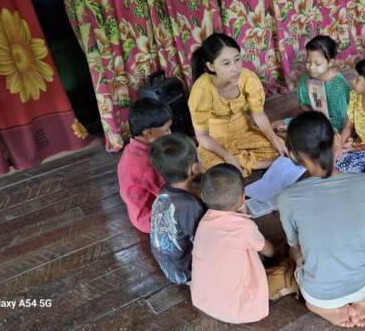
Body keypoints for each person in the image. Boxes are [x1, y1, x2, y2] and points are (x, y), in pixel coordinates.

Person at [278, 111, 365, 328]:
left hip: (321, 292)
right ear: (337, 140)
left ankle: (328, 308)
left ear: (293, 155)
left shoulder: (287, 197)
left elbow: (295, 243)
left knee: (292, 252)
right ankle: (364, 299)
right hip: (364, 278)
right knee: (364, 245)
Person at [191, 164, 297, 323]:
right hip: (236, 308)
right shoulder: (244, 227)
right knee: (288, 270)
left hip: (203, 298)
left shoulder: (204, 222)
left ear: (203, 197)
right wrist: (280, 252)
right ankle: (282, 290)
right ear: (242, 197)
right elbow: (269, 251)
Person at [188, 33, 287, 177]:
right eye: (226, 63)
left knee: (278, 146)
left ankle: (243, 163)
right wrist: (226, 156)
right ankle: (257, 163)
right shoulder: (201, 91)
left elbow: (258, 114)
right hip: (215, 138)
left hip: (243, 129)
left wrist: (272, 138)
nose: (235, 68)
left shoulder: (248, 78)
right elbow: (202, 136)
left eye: (237, 59)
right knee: (210, 165)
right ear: (211, 66)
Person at [149, 133, 205, 285]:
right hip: (186, 272)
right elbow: (205, 243)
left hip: (170, 266)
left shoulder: (164, 192)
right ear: (194, 168)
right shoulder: (190, 207)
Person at [272, 35, 350, 132]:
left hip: (335, 125)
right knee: (277, 124)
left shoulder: (338, 86)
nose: (311, 67)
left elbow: (342, 121)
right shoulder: (305, 78)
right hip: (314, 119)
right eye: (308, 62)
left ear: (330, 63)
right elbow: (303, 105)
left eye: (317, 64)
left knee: (311, 136)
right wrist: (312, 119)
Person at [117, 98, 172, 233]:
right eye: (166, 130)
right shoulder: (145, 165)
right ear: (148, 134)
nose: (170, 132)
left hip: (137, 211)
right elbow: (169, 191)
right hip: (149, 219)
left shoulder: (132, 148)